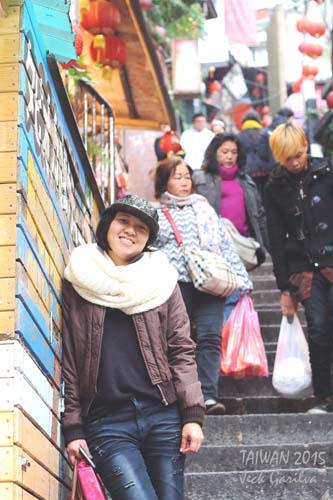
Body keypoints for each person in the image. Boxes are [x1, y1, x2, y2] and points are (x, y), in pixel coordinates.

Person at [61, 194, 205, 500]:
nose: (130, 230)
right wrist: (73, 427)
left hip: (163, 415)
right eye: (123, 221)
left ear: (148, 239)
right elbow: (71, 358)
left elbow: (181, 349)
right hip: (107, 421)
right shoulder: (80, 277)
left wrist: (192, 414)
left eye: (141, 227)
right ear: (107, 226)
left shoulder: (162, 280)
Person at [152, 156, 253, 415]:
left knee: (209, 336)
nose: (185, 182)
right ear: (164, 182)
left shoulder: (205, 208)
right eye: (178, 177)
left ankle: (208, 395)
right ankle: (178, 394)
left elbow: (224, 245)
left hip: (210, 282)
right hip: (175, 285)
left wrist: (242, 279)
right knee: (177, 339)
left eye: (187, 177)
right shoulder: (156, 212)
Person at [264, 123, 333, 414]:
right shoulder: (274, 187)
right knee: (318, 329)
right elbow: (276, 239)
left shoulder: (327, 173)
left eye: (297, 154)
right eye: (287, 158)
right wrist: (283, 288)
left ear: (305, 145)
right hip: (304, 268)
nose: (294, 162)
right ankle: (324, 396)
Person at [193, 132, 268, 322]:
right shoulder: (200, 178)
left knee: (236, 295)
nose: (229, 156)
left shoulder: (246, 181)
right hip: (213, 251)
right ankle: (224, 338)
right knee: (225, 297)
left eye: (233, 152)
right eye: (224, 151)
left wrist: (262, 245)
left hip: (240, 247)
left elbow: (258, 215)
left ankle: (231, 340)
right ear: (214, 153)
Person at [237, 110, 267, 198]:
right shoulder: (265, 133)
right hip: (264, 171)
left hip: (247, 171)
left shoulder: (239, 136)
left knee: (251, 195)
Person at [258, 107, 295, 178]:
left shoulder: (265, 132)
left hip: (271, 170)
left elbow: (262, 153)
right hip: (288, 167)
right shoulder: (290, 131)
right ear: (289, 117)